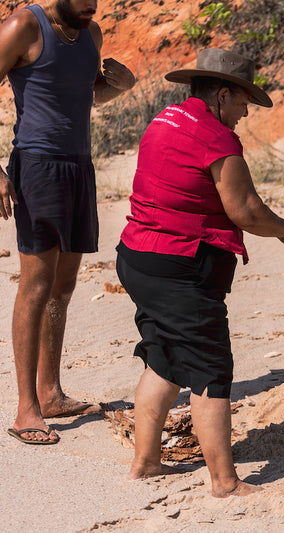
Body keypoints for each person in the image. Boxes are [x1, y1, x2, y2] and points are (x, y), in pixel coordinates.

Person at [116, 48, 284, 497]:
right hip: (179, 265)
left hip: (137, 257)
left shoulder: (164, 119)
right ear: (223, 94)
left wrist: (272, 226)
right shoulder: (215, 137)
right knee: (211, 369)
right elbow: (244, 209)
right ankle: (225, 483)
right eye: (243, 103)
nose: (244, 113)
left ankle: (145, 463)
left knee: (164, 357)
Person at [0, 0, 136, 445]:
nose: (90, 8)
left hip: (80, 165)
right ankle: (26, 409)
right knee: (36, 285)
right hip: (38, 166)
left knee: (63, 286)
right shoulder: (23, 26)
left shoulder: (90, 32)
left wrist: (118, 88)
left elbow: (87, 95)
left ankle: (51, 393)